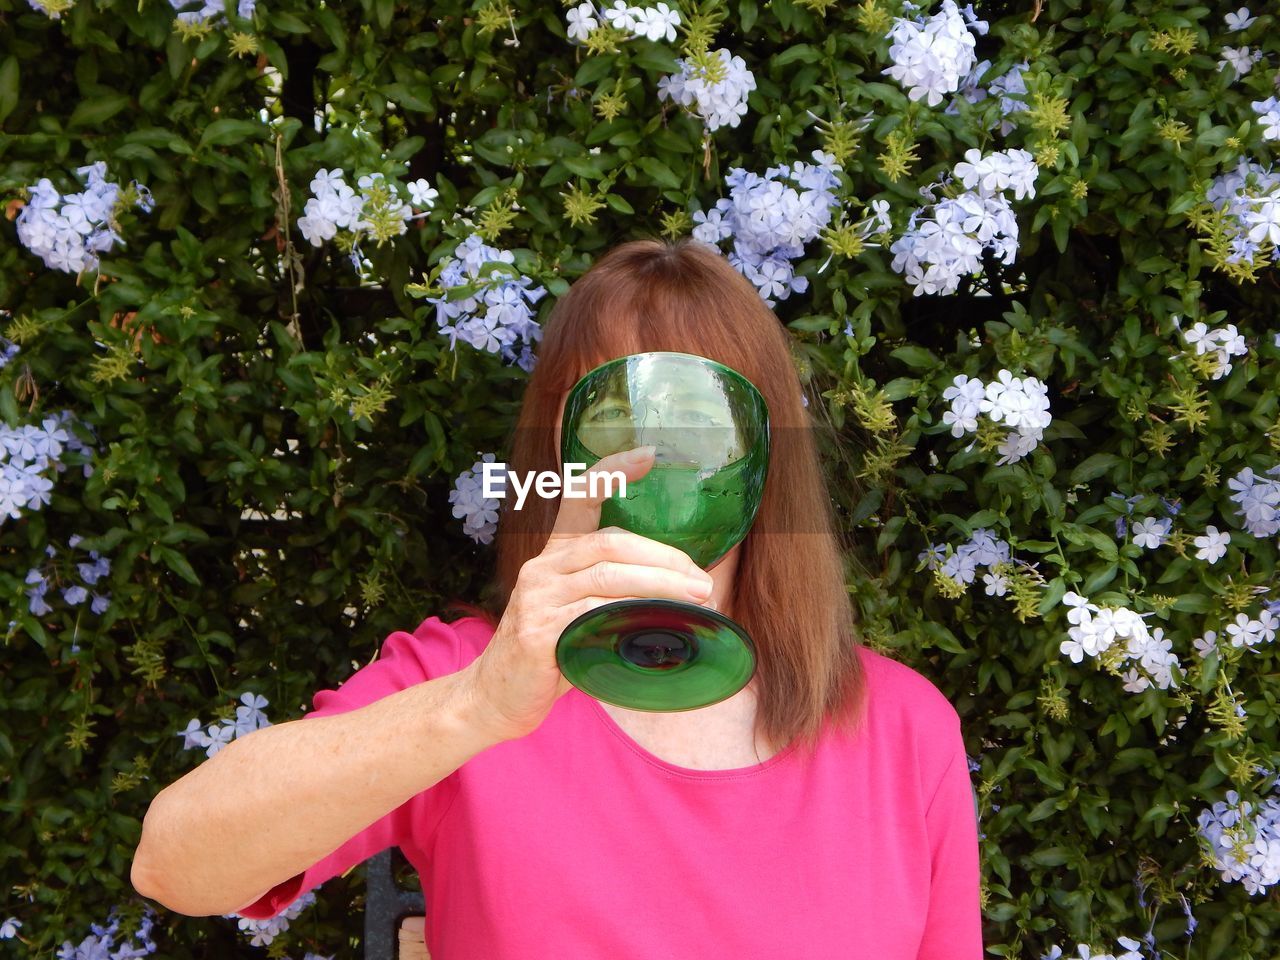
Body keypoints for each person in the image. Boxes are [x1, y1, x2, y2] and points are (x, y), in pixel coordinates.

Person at [131, 238, 984, 958]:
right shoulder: (472, 677)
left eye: (698, 419)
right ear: (559, 455)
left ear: (763, 460)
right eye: (614, 416)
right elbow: (177, 864)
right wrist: (475, 705)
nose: (657, 458)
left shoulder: (902, 730)